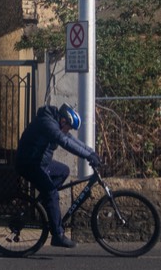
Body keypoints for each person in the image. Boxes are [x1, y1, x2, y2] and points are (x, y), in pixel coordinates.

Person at [14, 103, 101, 249]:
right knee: (52, 193)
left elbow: (71, 139)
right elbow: (65, 141)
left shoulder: (57, 122)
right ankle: (57, 235)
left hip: (41, 162)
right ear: (63, 121)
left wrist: (91, 153)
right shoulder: (47, 123)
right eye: (69, 127)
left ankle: (45, 204)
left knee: (63, 171)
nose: (69, 131)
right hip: (28, 163)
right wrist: (87, 156)